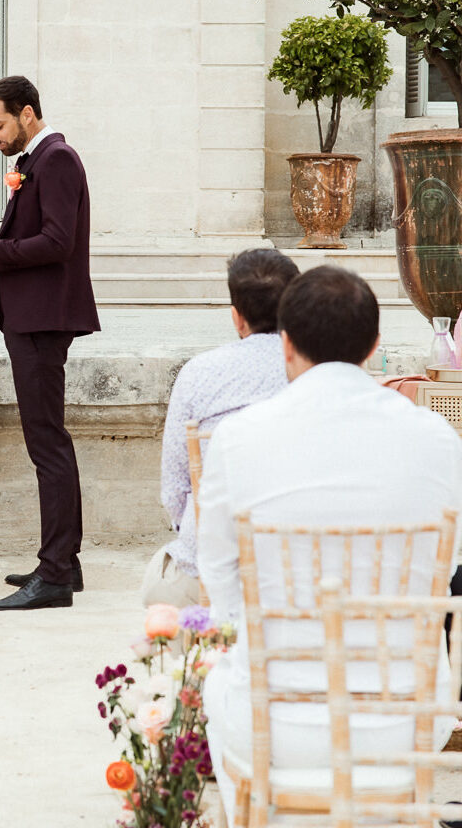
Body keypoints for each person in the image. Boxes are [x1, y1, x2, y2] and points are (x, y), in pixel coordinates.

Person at [197, 266, 462, 826]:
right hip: (407, 722)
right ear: (374, 346)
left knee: (217, 677)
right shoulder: (438, 440)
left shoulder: (240, 439)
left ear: (285, 346)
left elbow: (217, 574)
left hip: (275, 721)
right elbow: (453, 568)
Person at [0, 76, 100, 610]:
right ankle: (64, 562)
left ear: (28, 115)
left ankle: (57, 573)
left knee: (48, 445)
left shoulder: (56, 159)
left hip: (42, 321)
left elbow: (58, 242)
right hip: (32, 318)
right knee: (49, 442)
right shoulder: (37, 162)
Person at [143, 248, 298, 609]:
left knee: (161, 583)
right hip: (294, 556)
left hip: (213, 560)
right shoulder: (312, 371)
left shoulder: (199, 372)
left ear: (236, 317)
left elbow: (176, 488)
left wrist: (200, 532)